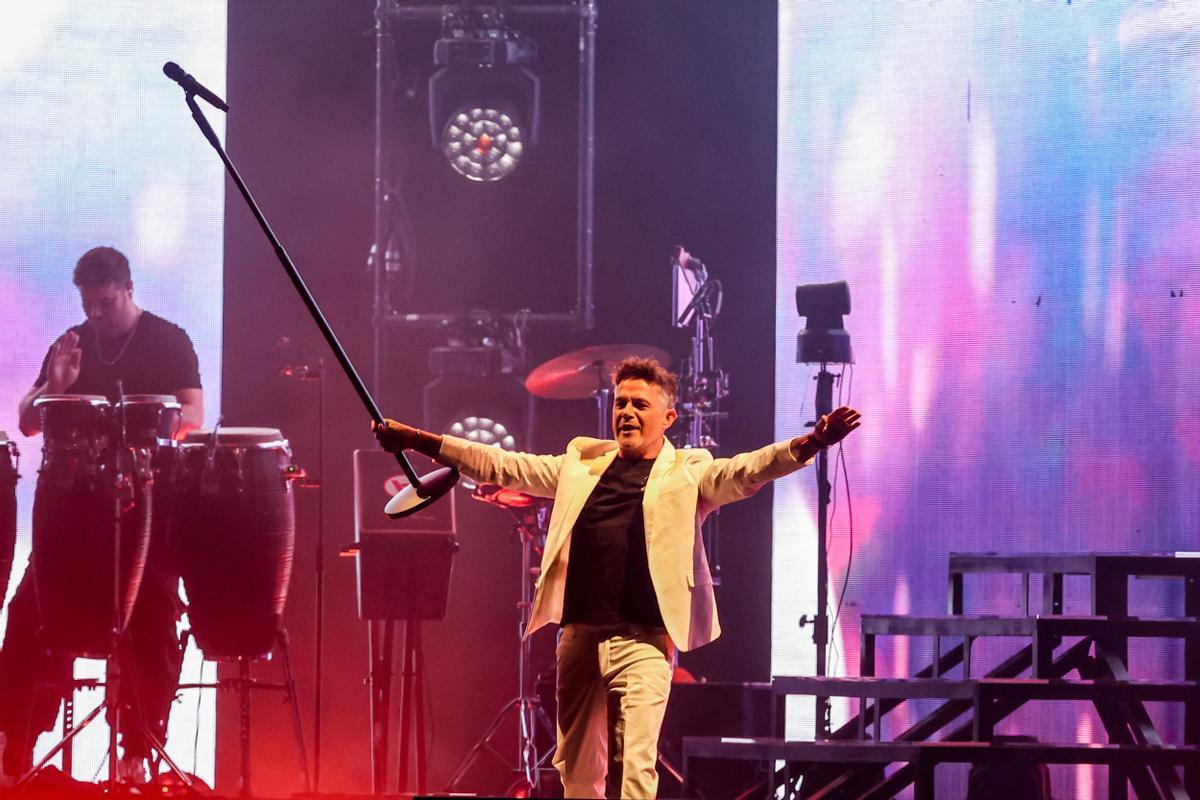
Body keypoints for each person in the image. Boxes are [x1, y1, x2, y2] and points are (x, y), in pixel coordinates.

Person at [375, 356, 861, 799]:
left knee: (635, 770)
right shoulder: (579, 467)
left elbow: (748, 470)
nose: (626, 412)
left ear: (668, 418)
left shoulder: (689, 474)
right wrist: (418, 440)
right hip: (580, 638)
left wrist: (811, 442)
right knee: (579, 774)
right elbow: (503, 464)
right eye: (620, 403)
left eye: (640, 404)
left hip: (644, 643)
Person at [2, 246, 203, 781]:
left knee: (155, 615)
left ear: (128, 290)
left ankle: (137, 748)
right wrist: (57, 388)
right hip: (72, 523)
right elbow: (26, 421)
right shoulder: (73, 343)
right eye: (88, 304)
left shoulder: (168, 339)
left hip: (146, 515)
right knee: (28, 613)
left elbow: (193, 412)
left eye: (105, 303)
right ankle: (14, 747)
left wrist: (147, 423)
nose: (95, 314)